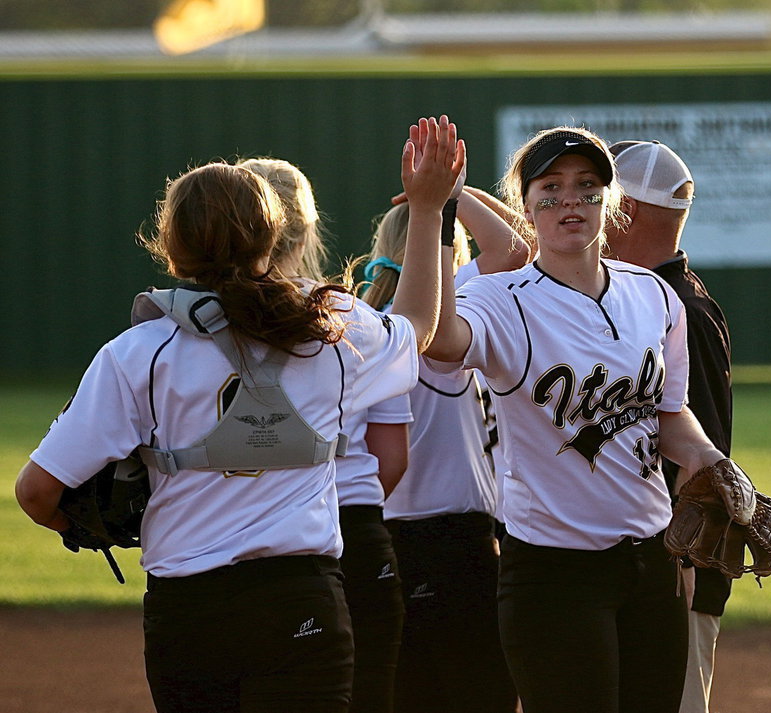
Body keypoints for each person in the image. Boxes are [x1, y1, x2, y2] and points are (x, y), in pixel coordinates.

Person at [15, 119, 464, 713]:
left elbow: (37, 492)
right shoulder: (331, 329)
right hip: (302, 600)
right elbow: (420, 328)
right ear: (272, 235)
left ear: (171, 247)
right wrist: (430, 211)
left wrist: (85, 529)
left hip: (189, 611)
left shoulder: (138, 354)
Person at [419, 124, 729, 713]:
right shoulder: (502, 299)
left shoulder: (654, 296)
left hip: (651, 564)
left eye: (588, 187)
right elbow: (438, 340)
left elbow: (669, 413)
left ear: (609, 204)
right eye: (551, 187)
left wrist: (705, 457)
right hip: (554, 573)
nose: (571, 201)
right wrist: (439, 214)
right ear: (526, 206)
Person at [238, 156, 410, 713]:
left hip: (240, 538)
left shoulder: (189, 324)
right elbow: (391, 460)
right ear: (309, 230)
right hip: (351, 532)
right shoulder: (351, 318)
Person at [361, 134, 525, 713]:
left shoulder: (367, 328)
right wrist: (451, 197)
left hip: (380, 535)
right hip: (452, 542)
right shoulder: (434, 330)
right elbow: (516, 250)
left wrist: (437, 201)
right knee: (477, 692)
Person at [605, 140, 733, 713]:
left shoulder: (680, 307)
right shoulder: (646, 297)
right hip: (644, 569)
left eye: (598, 197)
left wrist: (681, 562)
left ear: (624, 212)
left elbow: (702, 457)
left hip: (675, 571)